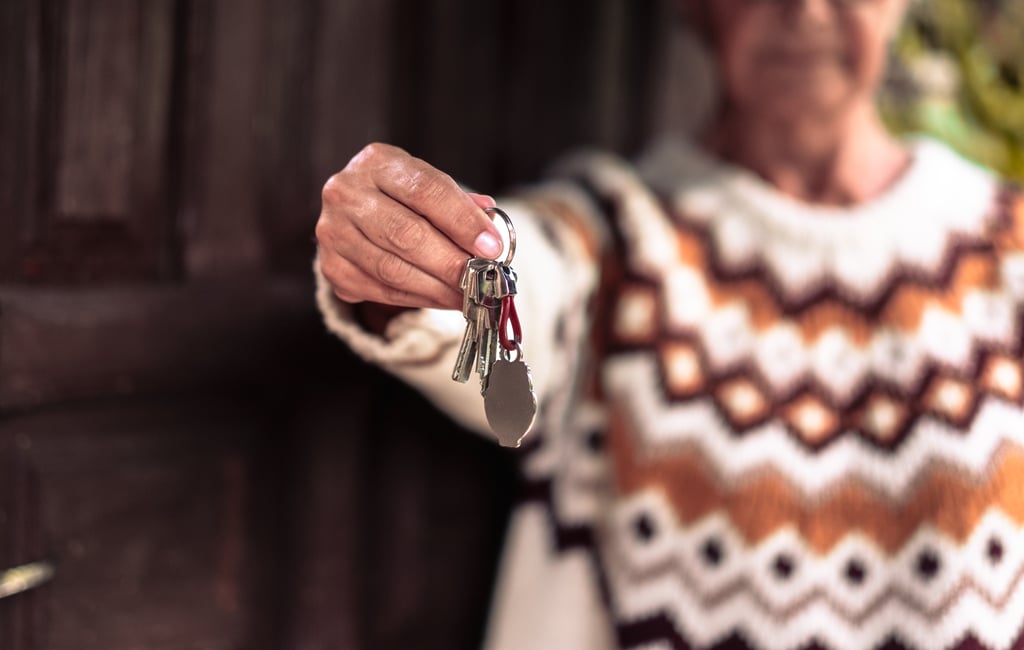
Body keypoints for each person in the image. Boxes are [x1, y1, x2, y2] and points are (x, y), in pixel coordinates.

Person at [314, 0, 1024, 648]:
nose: (805, 10)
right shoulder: (619, 232)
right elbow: (524, 287)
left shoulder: (1009, 249)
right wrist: (419, 256)